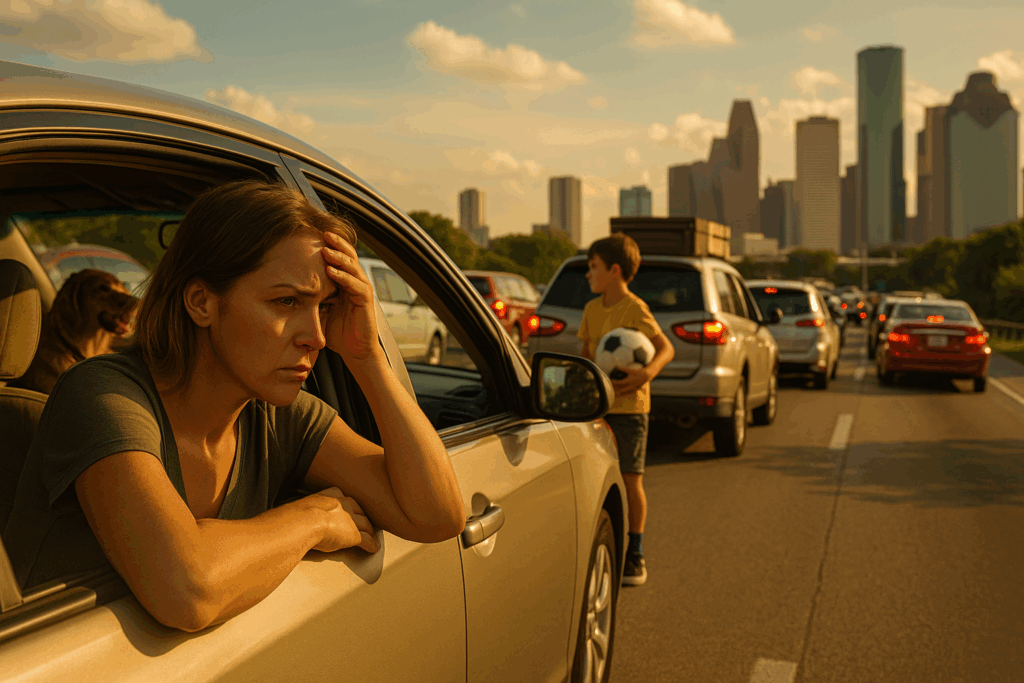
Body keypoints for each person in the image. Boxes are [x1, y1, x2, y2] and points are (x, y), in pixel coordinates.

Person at [3, 179, 465, 632]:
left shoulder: (283, 416)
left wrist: (367, 359)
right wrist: (313, 518)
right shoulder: (102, 394)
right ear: (201, 302)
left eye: (324, 306)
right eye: (286, 301)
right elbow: (189, 590)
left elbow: (437, 516)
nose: (317, 337)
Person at [576, 233, 674, 586]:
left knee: (631, 479)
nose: (588, 274)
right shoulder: (590, 310)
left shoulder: (635, 309)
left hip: (631, 408)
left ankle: (636, 552)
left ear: (614, 270)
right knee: (599, 477)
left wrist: (647, 373)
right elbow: (587, 356)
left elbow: (666, 348)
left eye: (593, 267)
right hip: (598, 409)